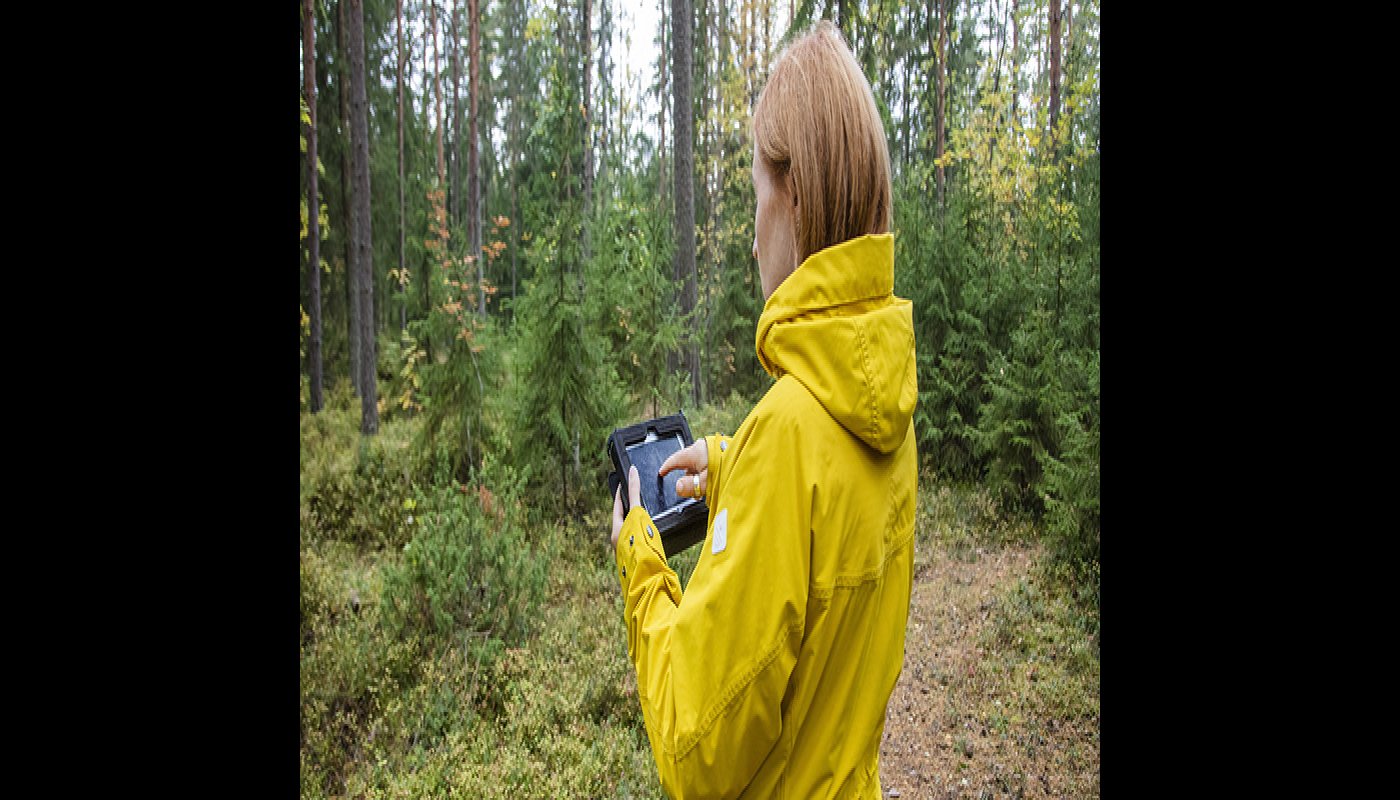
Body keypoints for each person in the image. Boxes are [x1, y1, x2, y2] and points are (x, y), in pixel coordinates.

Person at [609, 20, 917, 799]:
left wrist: (640, 561)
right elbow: (828, 520)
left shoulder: (789, 434)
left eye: (756, 196)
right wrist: (730, 465)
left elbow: (694, 747)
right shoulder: (884, 399)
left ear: (796, 196)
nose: (752, 238)